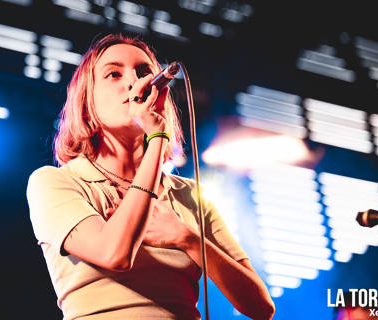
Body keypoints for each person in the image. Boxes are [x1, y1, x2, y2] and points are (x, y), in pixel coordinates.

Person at [26, 33, 275, 320]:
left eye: (143, 72)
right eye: (114, 74)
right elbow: (114, 254)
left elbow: (260, 307)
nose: (133, 82)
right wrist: (157, 138)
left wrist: (188, 238)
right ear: (87, 100)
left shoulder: (188, 196)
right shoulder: (57, 183)